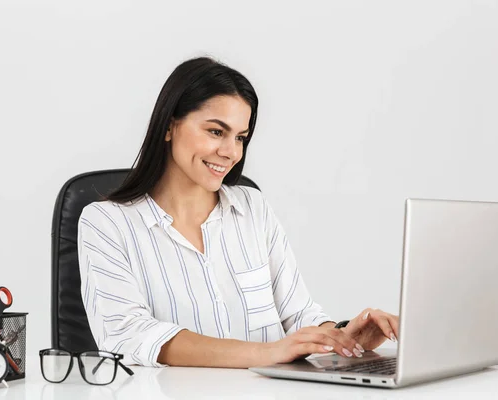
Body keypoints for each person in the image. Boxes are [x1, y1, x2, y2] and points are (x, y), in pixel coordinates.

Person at [77, 56, 399, 368]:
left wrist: (342, 337)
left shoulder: (252, 208)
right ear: (169, 126)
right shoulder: (106, 224)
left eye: (240, 137)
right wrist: (267, 354)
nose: (230, 152)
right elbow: (130, 335)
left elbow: (297, 315)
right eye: (216, 132)